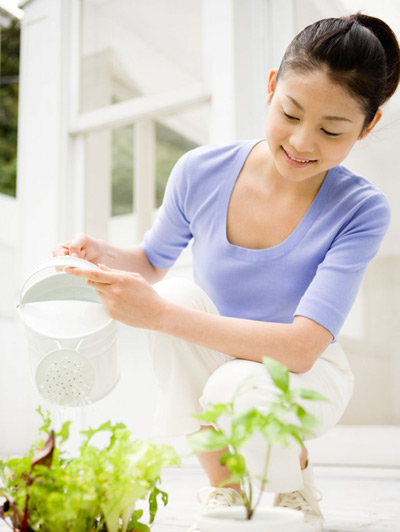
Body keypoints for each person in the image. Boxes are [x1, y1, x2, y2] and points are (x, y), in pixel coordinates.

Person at [53, 12, 400, 532]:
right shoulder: (200, 171)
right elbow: (152, 263)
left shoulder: (361, 208)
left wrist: (156, 315)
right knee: (178, 296)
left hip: (307, 375)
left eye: (331, 130)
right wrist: (101, 254)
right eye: (290, 113)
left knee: (234, 376)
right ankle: (227, 486)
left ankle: (291, 485)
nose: (302, 142)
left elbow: (303, 347)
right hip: (222, 364)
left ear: (367, 127)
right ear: (271, 87)